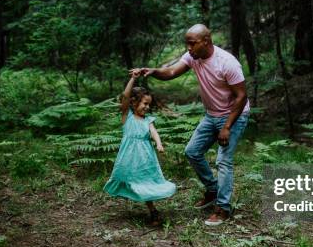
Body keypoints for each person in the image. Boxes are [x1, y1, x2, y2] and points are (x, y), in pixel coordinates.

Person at [136, 24, 249, 226]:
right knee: (192, 151)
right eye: (186, 43)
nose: (188, 48)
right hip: (211, 115)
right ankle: (213, 190)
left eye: (192, 43)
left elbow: (241, 97)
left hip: (233, 115)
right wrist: (152, 71)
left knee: (223, 161)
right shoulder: (193, 57)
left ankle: (223, 208)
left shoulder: (227, 63)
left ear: (206, 41)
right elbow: (170, 72)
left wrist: (227, 127)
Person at [103, 70, 176, 226]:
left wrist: (159, 143)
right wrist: (132, 79)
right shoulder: (126, 116)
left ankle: (153, 211)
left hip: (145, 158)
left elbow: (153, 131)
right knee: (129, 180)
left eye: (149, 104)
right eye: (145, 103)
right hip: (128, 158)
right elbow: (125, 96)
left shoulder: (147, 120)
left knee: (145, 181)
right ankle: (140, 202)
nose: (147, 107)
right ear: (134, 102)